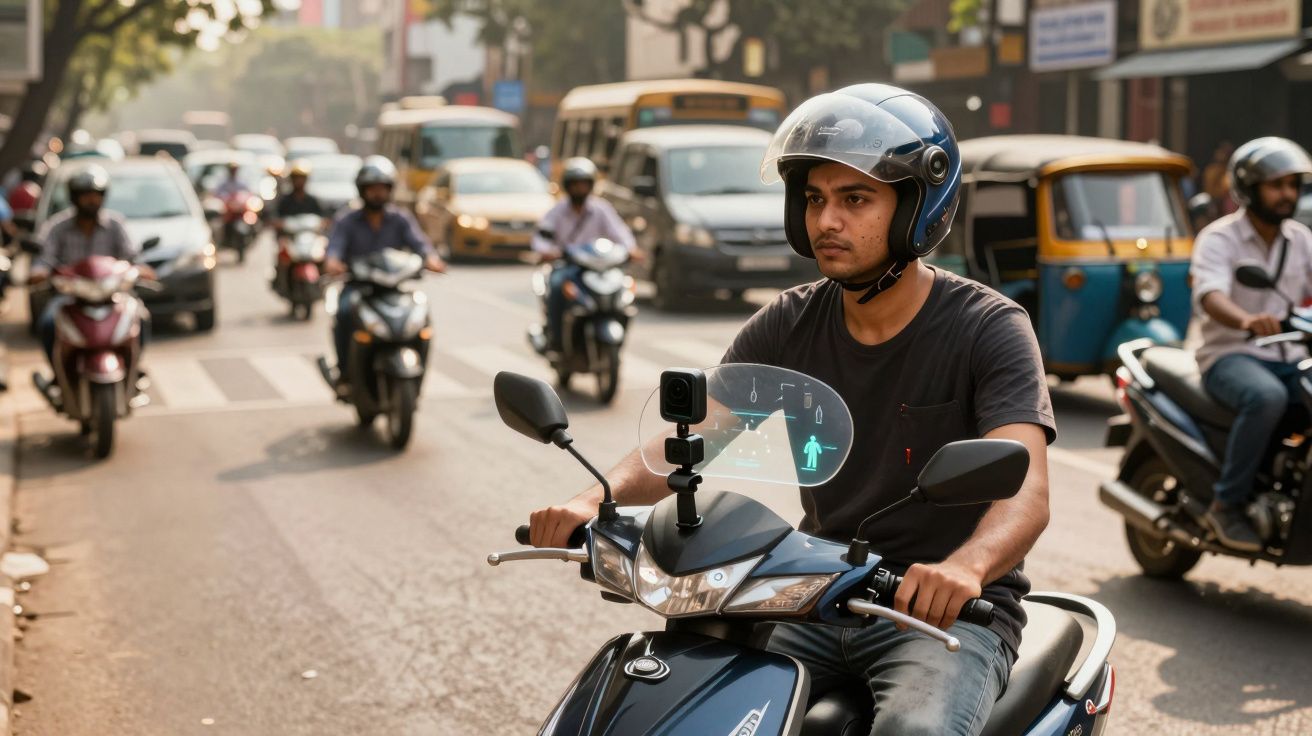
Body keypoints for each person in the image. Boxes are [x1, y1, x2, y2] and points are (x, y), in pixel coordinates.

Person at [525, 84, 1054, 735]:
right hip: (818, 592)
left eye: (854, 199)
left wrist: (964, 569)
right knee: (693, 704)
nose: (827, 220)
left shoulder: (987, 327)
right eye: (814, 199)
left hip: (941, 615)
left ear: (919, 207)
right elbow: (693, 438)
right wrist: (592, 499)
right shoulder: (789, 322)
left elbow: (1026, 489)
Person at [1190, 137, 1312, 552]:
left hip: (1290, 354)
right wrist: (1245, 320)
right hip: (1230, 355)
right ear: (1248, 187)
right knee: (1266, 397)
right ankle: (1226, 505)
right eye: (1276, 185)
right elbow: (1210, 294)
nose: (1287, 194)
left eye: (1292, 185)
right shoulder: (1219, 238)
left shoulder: (1300, 239)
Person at [323, 156, 445, 388]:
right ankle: (345, 372)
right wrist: (333, 262)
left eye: (382, 188)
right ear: (362, 190)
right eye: (372, 188)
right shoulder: (347, 220)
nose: (377, 194)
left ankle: (418, 372)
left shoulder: (400, 218)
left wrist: (431, 259)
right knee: (345, 311)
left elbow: (420, 244)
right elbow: (335, 249)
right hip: (359, 288)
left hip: (393, 288)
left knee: (421, 315)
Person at [30, 165, 155, 362]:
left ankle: (134, 368)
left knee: (141, 318)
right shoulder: (57, 227)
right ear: (74, 197)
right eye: (86, 195)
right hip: (70, 298)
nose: (91, 200)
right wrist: (39, 272)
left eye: (96, 195)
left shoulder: (115, 225)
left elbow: (132, 257)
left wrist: (141, 269)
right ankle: (58, 373)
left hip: (112, 296)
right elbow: (44, 259)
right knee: (48, 324)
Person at [529, 157, 637, 351]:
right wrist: (547, 252)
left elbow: (621, 233)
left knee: (621, 288)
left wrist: (630, 249)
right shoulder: (558, 211)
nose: (580, 188)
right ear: (568, 186)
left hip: (597, 266)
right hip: (569, 267)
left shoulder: (601, 209)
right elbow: (541, 237)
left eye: (584, 184)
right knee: (557, 285)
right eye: (576, 184)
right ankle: (555, 339)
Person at [271, 159, 325, 295]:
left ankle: (323, 283)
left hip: (308, 238)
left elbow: (323, 218)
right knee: (282, 256)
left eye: (302, 178)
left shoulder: (312, 200)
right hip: (290, 238)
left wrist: (324, 223)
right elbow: (275, 217)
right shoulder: (285, 200)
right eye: (297, 178)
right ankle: (281, 282)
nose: (299, 181)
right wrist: (278, 224)